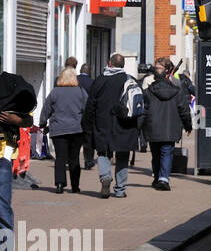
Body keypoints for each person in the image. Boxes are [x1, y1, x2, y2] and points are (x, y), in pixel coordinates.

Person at [83, 53, 141, 199]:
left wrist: (87, 124)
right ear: (123, 65)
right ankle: (120, 189)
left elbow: (91, 105)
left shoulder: (100, 81)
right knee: (122, 156)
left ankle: (105, 176)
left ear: (109, 63)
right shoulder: (130, 80)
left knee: (103, 153)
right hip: (125, 124)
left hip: (103, 122)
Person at [0, 71, 37, 251]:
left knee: (2, 208)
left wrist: (16, 119)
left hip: (3, 152)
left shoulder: (9, 84)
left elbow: (29, 118)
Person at [143, 61, 191, 190]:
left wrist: (141, 128)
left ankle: (157, 177)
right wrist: (188, 125)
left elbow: (144, 111)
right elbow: (184, 110)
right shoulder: (177, 92)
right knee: (167, 152)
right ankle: (163, 179)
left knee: (156, 154)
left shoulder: (148, 92)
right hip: (170, 128)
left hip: (153, 128)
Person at [39, 66, 88, 194]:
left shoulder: (55, 92)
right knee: (74, 158)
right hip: (76, 129)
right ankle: (75, 186)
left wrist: (42, 123)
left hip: (58, 129)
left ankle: (60, 184)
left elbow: (46, 109)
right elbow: (87, 109)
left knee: (60, 158)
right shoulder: (81, 91)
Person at [77, 64, 96, 169]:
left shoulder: (74, 80)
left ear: (80, 70)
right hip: (88, 114)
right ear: (89, 72)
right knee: (88, 139)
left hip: (75, 114)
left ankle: (73, 160)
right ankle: (88, 161)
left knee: (76, 139)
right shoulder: (92, 82)